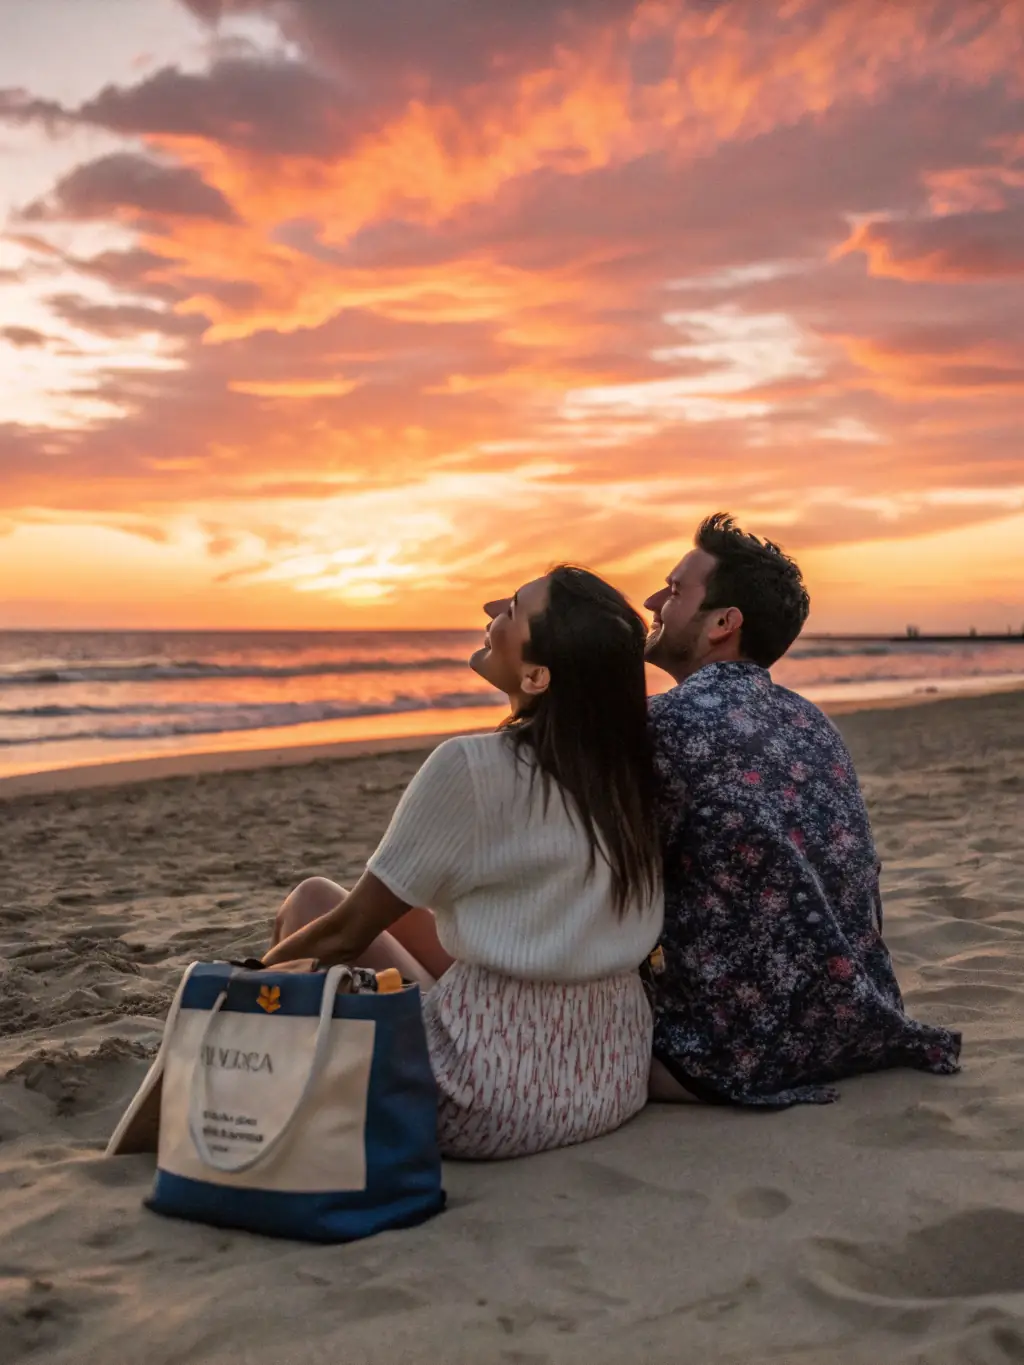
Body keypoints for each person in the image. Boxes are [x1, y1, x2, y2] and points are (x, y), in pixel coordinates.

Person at [265, 567, 664, 1158]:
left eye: (512, 609)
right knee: (404, 911)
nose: (491, 607)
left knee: (314, 903)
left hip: (485, 1102)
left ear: (536, 674)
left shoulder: (473, 768)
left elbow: (348, 934)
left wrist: (230, 989)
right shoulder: (630, 772)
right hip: (607, 1081)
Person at [642, 513, 962, 1107]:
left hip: (735, 1052)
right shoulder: (810, 721)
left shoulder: (668, 721)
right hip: (857, 1025)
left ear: (722, 624)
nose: (653, 600)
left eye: (675, 589)